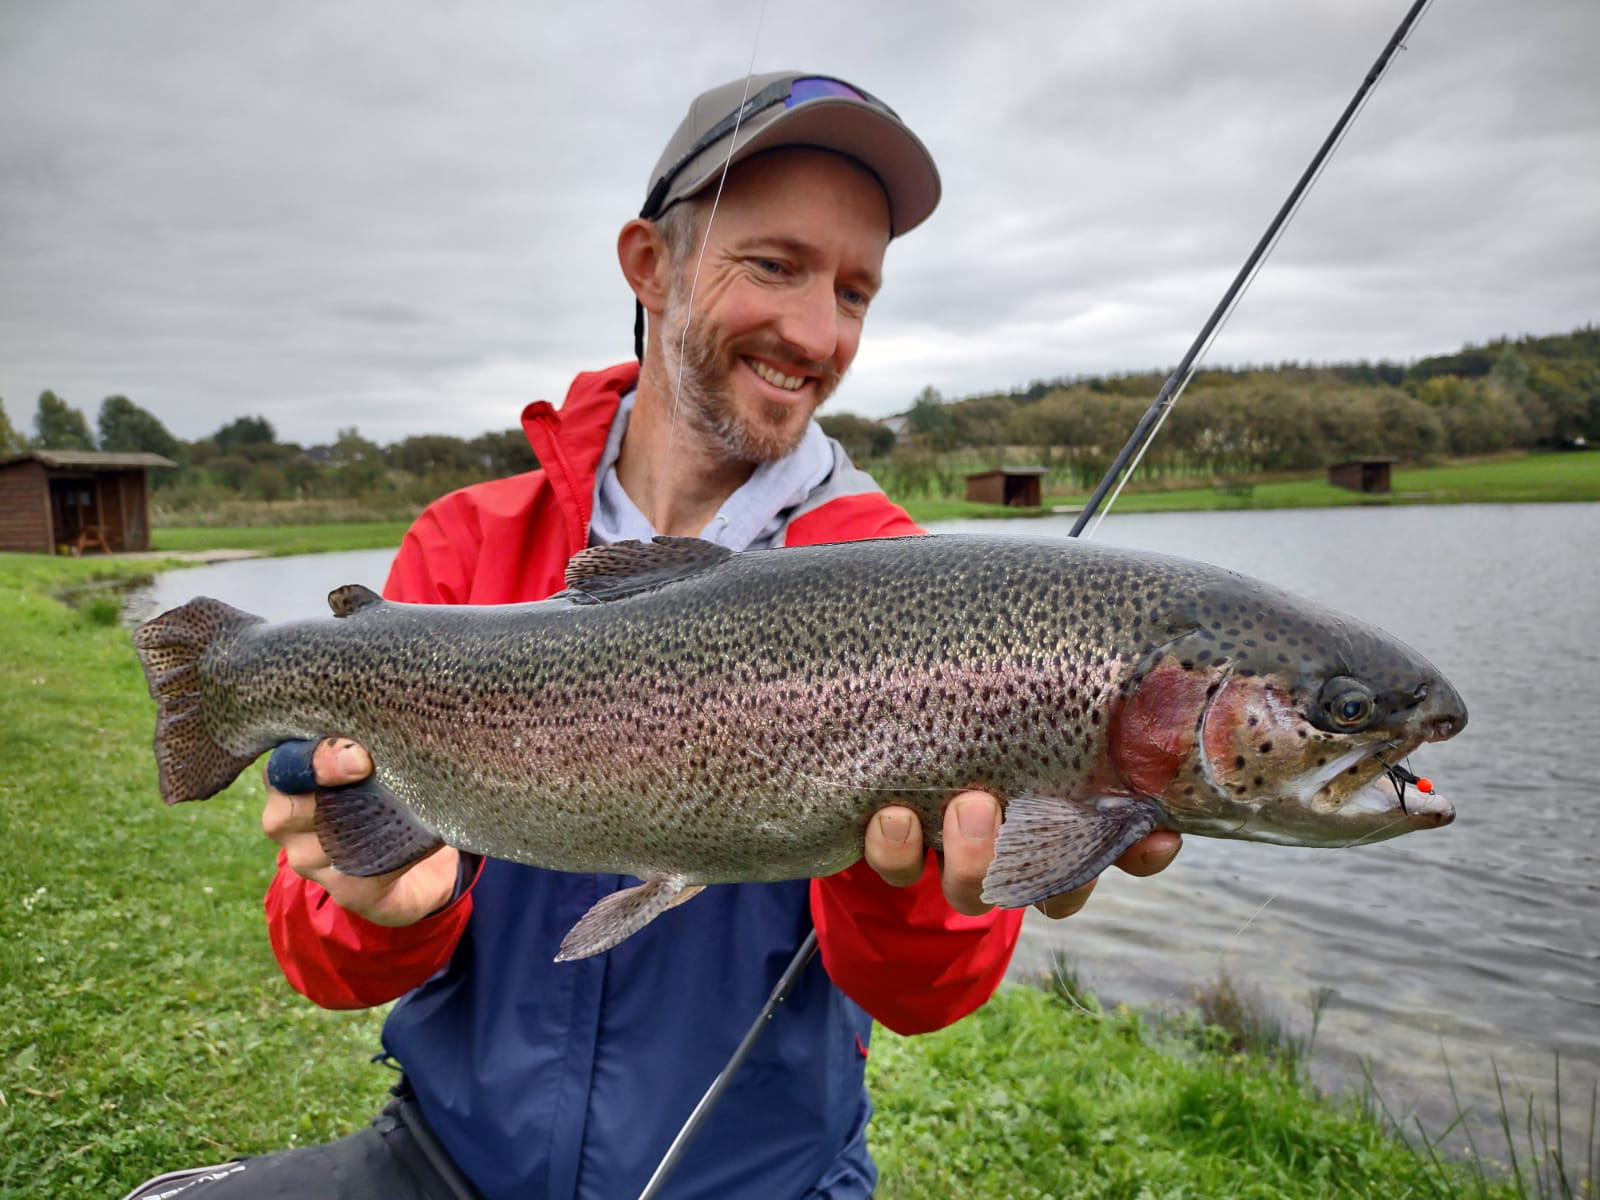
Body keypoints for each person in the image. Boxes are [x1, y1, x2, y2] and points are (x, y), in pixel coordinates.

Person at [124, 71, 1180, 1200]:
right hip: (445, 1156)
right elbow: (325, 963)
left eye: (856, 290)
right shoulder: (464, 547)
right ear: (649, 264)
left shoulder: (926, 590)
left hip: (764, 1179)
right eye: (773, 265)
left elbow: (924, 1000)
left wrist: (934, 868)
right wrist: (367, 903)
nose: (815, 330)